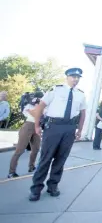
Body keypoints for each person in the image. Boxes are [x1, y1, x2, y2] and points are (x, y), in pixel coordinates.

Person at [28, 67, 86, 201]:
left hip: (70, 128)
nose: (75, 79)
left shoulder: (81, 94)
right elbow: (41, 106)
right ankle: (36, 189)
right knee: (45, 158)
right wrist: (37, 125)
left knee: (61, 159)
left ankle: (53, 186)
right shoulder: (56, 89)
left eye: (78, 77)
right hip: (53, 127)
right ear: (67, 77)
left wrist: (80, 130)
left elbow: (83, 113)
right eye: (73, 76)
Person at [8, 91, 44, 178]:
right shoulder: (28, 105)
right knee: (19, 150)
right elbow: (36, 115)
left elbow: (42, 116)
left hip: (37, 127)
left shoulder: (43, 106)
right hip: (28, 126)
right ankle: (11, 172)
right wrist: (38, 107)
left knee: (36, 149)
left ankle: (31, 167)